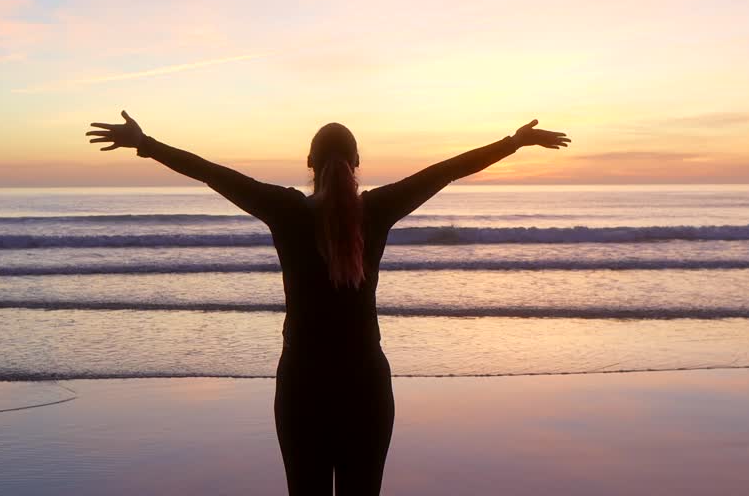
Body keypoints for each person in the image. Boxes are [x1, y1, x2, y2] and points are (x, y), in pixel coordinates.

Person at [86, 113, 570, 496]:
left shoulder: (285, 209)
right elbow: (445, 172)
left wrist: (145, 144)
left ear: (309, 162)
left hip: (302, 385)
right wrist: (513, 142)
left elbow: (214, 174)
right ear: (356, 161)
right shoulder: (377, 209)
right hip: (365, 384)